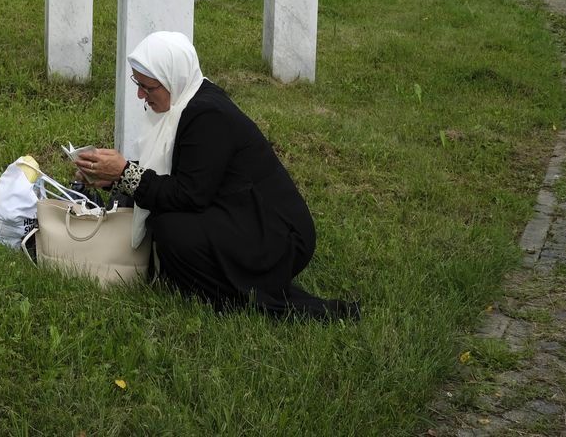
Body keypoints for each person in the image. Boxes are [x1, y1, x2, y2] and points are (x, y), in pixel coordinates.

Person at [73, 31, 357, 321]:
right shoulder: (186, 104)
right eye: (138, 84)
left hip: (275, 234)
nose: (140, 95)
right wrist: (113, 177)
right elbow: (175, 173)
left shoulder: (207, 115)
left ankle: (235, 299)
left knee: (171, 229)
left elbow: (189, 194)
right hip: (238, 211)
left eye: (148, 87)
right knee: (157, 214)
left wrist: (125, 174)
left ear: (174, 78)